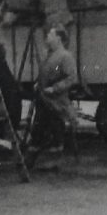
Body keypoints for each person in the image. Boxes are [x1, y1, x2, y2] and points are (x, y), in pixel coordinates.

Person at [31, 24, 78, 155]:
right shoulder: (49, 55)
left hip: (56, 100)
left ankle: (56, 150)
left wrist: (55, 88)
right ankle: (39, 149)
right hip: (44, 98)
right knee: (40, 125)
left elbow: (71, 78)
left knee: (55, 123)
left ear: (58, 38)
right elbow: (45, 73)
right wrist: (38, 83)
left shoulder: (65, 56)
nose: (47, 38)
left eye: (50, 35)